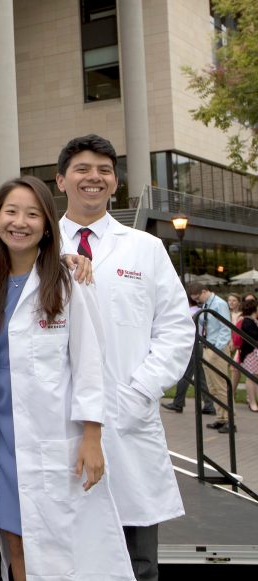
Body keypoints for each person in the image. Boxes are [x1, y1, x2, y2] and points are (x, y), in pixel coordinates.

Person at [0, 175, 133, 580]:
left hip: (53, 437)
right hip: (0, 439)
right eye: (11, 212)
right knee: (15, 542)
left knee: (66, 549)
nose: (20, 222)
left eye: (32, 214)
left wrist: (93, 436)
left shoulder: (69, 283)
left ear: (48, 224)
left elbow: (90, 365)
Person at [55, 134, 193, 581]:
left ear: (115, 183)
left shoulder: (145, 249)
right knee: (65, 555)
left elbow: (175, 329)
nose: (93, 177)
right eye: (81, 169)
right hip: (56, 421)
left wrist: (139, 392)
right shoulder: (36, 244)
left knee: (138, 562)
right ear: (60, 180)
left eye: (104, 170)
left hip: (125, 421)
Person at [187, 281, 234, 432]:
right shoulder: (206, 304)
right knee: (212, 386)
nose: (197, 301)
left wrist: (217, 349)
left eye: (197, 298)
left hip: (216, 348)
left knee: (220, 386)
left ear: (204, 291)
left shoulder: (219, 304)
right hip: (207, 346)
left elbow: (225, 328)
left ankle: (229, 420)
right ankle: (221, 418)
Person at [237, 298, 258, 413]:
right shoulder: (248, 321)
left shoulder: (251, 320)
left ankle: (253, 401)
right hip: (251, 353)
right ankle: (252, 402)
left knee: (254, 377)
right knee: (251, 377)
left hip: (253, 353)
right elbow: (253, 336)